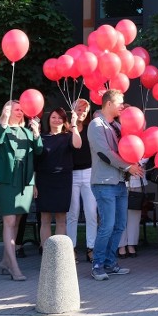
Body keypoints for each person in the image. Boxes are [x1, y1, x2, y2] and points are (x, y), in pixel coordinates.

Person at [87, 89, 143, 280]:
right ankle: (97, 265)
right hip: (104, 183)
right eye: (119, 102)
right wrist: (128, 166)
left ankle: (110, 263)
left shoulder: (116, 126)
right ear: (108, 104)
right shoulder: (96, 125)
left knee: (119, 225)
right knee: (107, 226)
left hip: (119, 182)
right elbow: (105, 153)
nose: (122, 106)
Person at [0, 100, 43, 281]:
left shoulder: (27, 131)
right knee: (9, 220)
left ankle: (5, 261)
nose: (20, 112)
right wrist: (3, 118)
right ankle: (14, 267)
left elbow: (38, 152)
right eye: (16, 109)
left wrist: (36, 134)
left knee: (17, 221)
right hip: (6, 178)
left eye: (22, 109)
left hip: (25, 179)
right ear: (7, 110)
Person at [35, 107, 82, 249]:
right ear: (48, 120)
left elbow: (78, 145)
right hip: (44, 180)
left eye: (60, 118)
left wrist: (74, 125)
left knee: (61, 218)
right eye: (53, 117)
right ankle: (46, 253)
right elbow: (34, 161)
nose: (56, 120)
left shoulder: (68, 136)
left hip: (63, 180)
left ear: (64, 120)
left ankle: (59, 253)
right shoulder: (41, 137)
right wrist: (33, 184)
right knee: (45, 219)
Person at [67, 98, 97, 263]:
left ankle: (91, 248)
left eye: (84, 111)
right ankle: (71, 249)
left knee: (91, 212)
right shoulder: (66, 129)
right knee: (72, 214)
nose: (82, 113)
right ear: (73, 110)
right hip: (71, 174)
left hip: (89, 172)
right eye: (79, 110)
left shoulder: (90, 129)